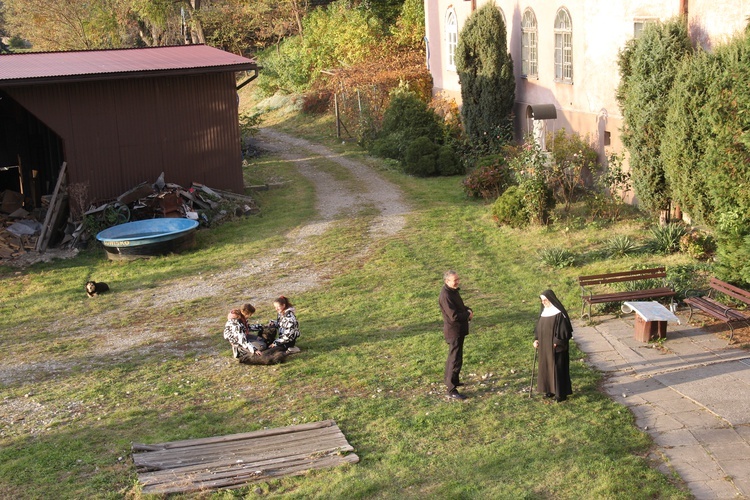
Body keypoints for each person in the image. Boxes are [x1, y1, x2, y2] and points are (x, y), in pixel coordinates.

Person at [533, 290, 573, 402]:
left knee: (557, 368)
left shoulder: (559, 314)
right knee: (546, 367)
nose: (543, 302)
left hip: (556, 347)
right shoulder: (544, 312)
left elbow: (564, 330)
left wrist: (557, 342)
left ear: (551, 299)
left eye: (545, 300)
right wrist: (536, 339)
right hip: (545, 346)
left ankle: (560, 394)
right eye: (542, 301)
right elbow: (538, 328)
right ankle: (549, 390)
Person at [439, 270, 473, 400]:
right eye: (455, 280)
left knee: (456, 356)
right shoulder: (446, 295)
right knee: (454, 358)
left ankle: (453, 380)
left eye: (458, 279)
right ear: (447, 281)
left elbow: (460, 308)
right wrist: (468, 314)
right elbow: (454, 316)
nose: (458, 282)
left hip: (458, 330)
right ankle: (451, 389)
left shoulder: (453, 291)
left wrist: (468, 310)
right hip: (454, 331)